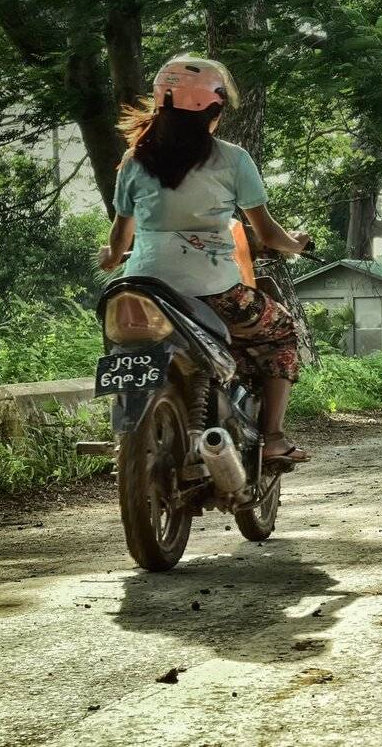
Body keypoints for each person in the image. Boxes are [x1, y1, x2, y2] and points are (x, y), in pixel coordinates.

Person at [98, 55, 312, 463]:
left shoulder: (133, 160)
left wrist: (111, 258)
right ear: (212, 110)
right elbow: (267, 234)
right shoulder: (232, 159)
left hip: (141, 289)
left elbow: (119, 236)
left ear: (162, 105)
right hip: (213, 292)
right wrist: (297, 244)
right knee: (281, 332)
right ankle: (274, 437)